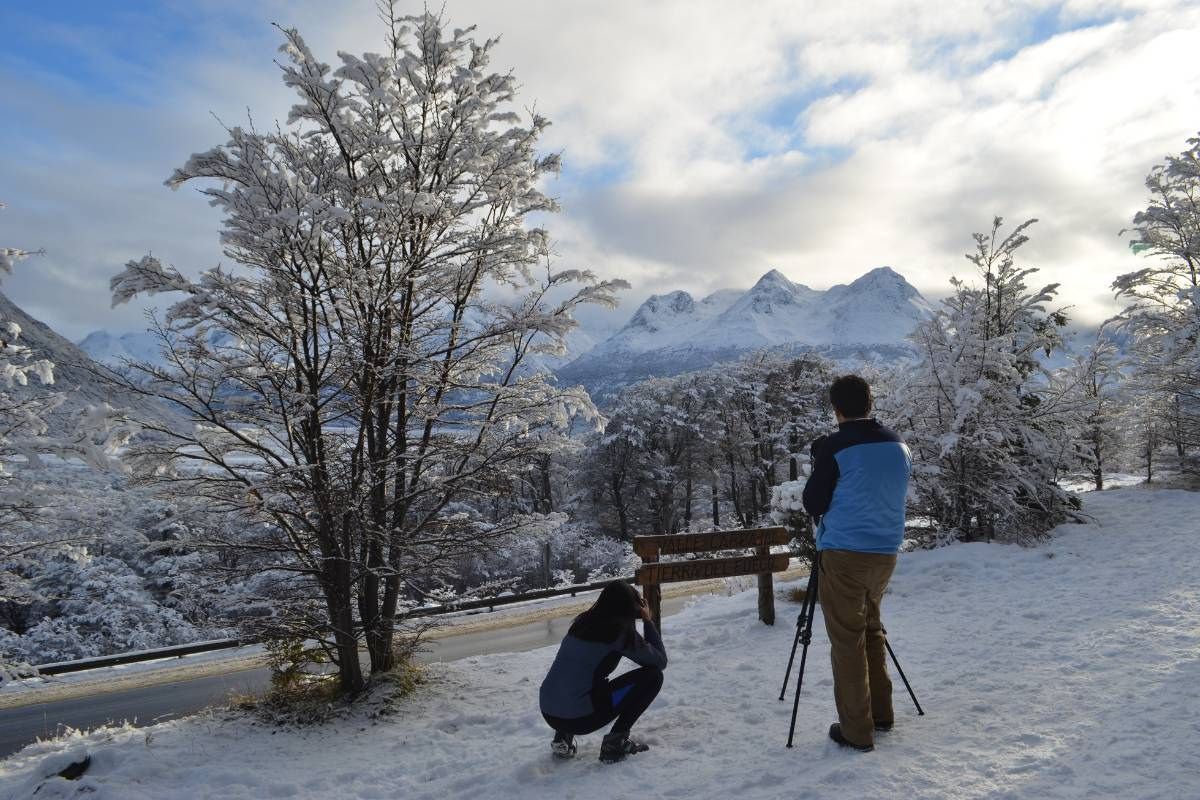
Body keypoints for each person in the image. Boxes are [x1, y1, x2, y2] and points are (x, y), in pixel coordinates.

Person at [801, 374, 912, 753]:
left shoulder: (835, 447)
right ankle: (881, 714)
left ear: (836, 408)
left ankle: (856, 731)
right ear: (870, 402)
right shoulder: (898, 443)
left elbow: (814, 503)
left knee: (847, 641)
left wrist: (821, 461)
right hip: (886, 551)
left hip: (845, 551)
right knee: (871, 630)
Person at [538, 580, 667, 763]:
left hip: (548, 710)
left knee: (579, 679)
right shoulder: (618, 632)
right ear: (632, 607)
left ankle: (562, 738)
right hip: (579, 717)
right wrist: (647, 620)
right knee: (653, 677)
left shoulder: (581, 623)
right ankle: (615, 742)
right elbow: (659, 661)